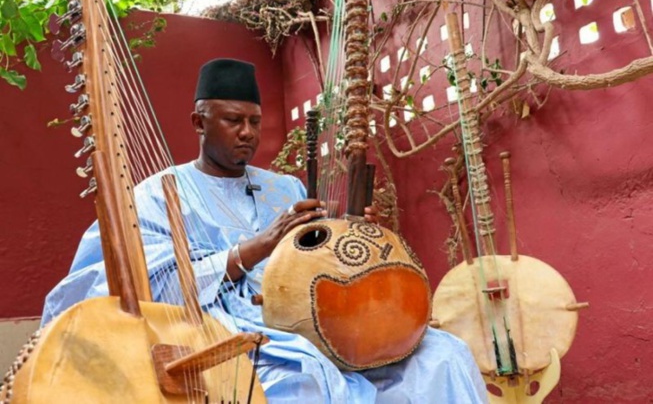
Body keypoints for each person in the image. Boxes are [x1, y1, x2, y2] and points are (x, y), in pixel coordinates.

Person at [42, 58, 488, 403]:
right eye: (233, 120)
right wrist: (251, 251)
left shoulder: (282, 186)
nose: (248, 133)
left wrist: (355, 235)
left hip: (323, 315)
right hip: (228, 330)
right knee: (306, 379)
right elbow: (137, 287)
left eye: (254, 122)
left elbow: (317, 259)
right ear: (199, 122)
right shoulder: (157, 194)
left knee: (444, 354)